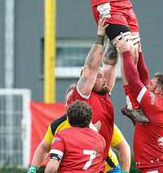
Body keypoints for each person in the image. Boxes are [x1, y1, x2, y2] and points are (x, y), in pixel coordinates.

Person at [29, 84, 131, 173]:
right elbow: (43, 148)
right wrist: (33, 168)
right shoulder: (58, 126)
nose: (74, 105)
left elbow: (124, 148)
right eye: (70, 101)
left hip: (108, 168)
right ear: (65, 103)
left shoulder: (100, 121)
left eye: (76, 101)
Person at [116, 36, 163, 173]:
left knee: (130, 86)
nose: (147, 85)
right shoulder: (161, 102)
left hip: (157, 167)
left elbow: (134, 80)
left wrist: (125, 53)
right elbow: (143, 79)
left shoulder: (154, 103)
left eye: (152, 84)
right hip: (157, 166)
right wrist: (140, 54)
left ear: (159, 90)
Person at [66, 17, 115, 159]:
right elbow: (91, 68)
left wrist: (115, 36)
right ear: (90, 81)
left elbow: (110, 64)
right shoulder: (82, 96)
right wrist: (100, 36)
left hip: (99, 162)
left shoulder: (104, 94)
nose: (104, 78)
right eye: (100, 76)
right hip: (82, 163)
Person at [45, 101, 107, 173]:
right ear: (89, 119)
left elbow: (52, 168)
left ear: (69, 118)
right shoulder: (101, 140)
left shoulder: (61, 136)